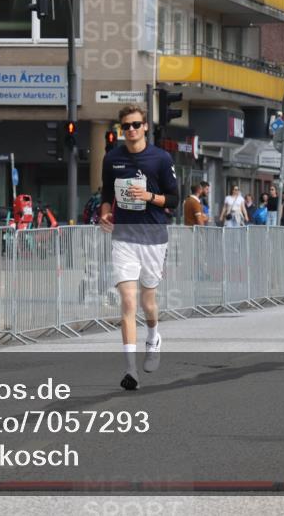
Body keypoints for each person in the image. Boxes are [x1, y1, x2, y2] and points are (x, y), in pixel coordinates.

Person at [99, 105, 179, 391]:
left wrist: (149, 196)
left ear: (145, 126)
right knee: (128, 303)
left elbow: (173, 200)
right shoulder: (112, 158)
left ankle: (154, 336)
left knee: (148, 303)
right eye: (126, 127)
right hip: (124, 238)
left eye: (135, 125)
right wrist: (106, 212)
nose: (130, 130)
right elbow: (106, 193)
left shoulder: (160, 158)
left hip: (154, 237)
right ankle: (130, 369)